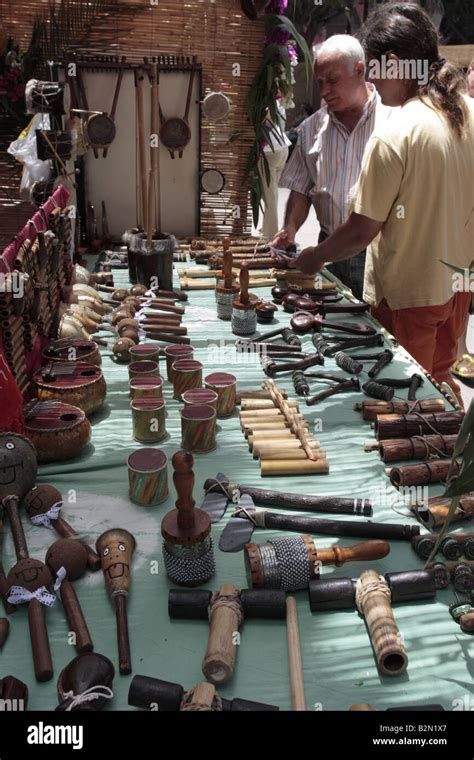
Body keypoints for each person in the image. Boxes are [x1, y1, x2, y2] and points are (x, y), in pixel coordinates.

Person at [290, 2, 474, 403]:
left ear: (392, 64)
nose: (371, 79)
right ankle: (453, 462)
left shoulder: (396, 132)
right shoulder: (466, 111)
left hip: (411, 297)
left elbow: (361, 229)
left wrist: (314, 257)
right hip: (457, 287)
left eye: (371, 68)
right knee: (440, 387)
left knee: (405, 398)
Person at [272, 34, 394, 301]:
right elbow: (301, 189)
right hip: (329, 252)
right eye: (320, 82)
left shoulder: (393, 118)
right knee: (333, 323)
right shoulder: (310, 129)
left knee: (380, 330)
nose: (324, 91)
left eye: (333, 80)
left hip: (380, 254)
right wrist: (290, 228)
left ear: (360, 70)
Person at [257, 99, 291, 240]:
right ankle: (267, 227)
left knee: (269, 194)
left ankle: (270, 233)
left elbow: (262, 125)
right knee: (273, 192)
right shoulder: (278, 103)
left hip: (269, 150)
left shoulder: (263, 105)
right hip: (282, 147)